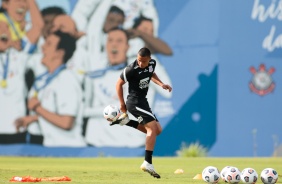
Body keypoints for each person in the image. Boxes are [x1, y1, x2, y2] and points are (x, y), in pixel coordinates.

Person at [15, 31, 87, 147]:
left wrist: (37, 108)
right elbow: (56, 113)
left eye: (48, 44)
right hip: (52, 147)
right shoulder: (51, 79)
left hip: (69, 150)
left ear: (59, 53)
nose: (42, 47)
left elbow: (66, 122)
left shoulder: (66, 80)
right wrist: (32, 119)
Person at [115, 47, 172, 178]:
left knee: (157, 130)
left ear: (150, 59)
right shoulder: (131, 69)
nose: (141, 63)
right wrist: (122, 104)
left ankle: (127, 122)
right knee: (152, 128)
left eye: (144, 61)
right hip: (134, 102)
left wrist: (161, 84)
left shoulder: (152, 64)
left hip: (143, 102)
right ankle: (147, 162)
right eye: (139, 60)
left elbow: (151, 74)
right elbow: (118, 84)